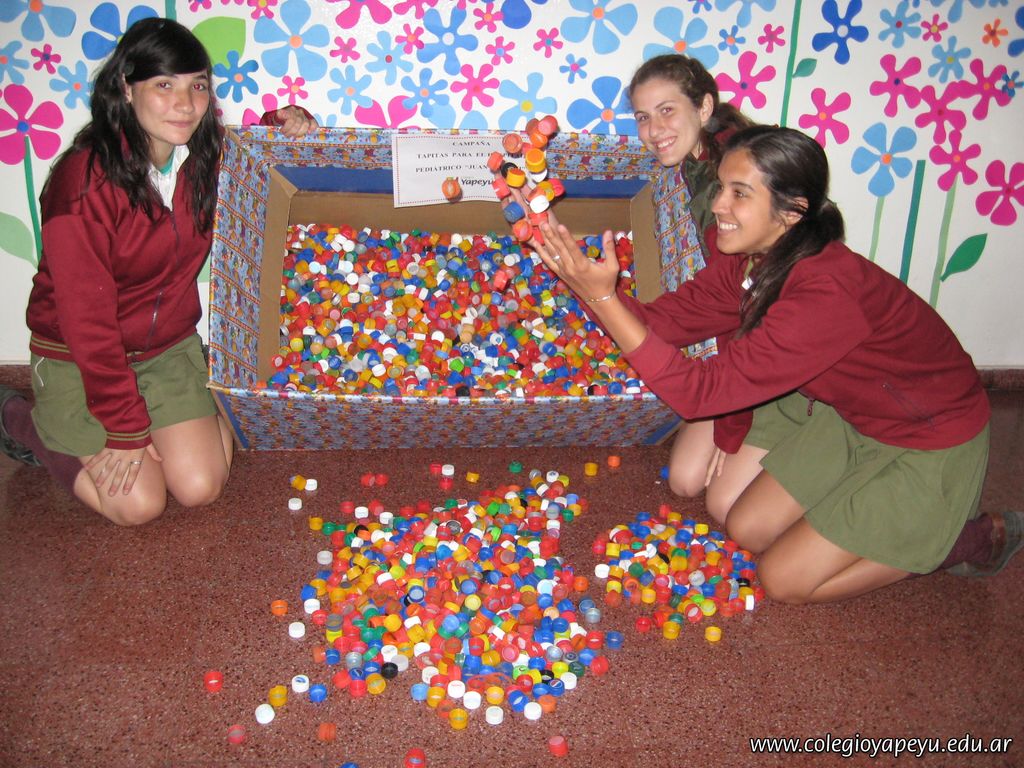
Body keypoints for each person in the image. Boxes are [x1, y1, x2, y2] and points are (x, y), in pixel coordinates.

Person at [528, 124, 1021, 603]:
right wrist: (587, 285)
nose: (718, 206)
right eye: (722, 187)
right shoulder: (755, 259)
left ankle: (955, 542)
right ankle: (864, 512)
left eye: (739, 193)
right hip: (850, 416)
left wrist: (604, 299)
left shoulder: (825, 293)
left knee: (783, 581)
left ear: (792, 211)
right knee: (745, 525)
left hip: (929, 439)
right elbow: (667, 322)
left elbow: (700, 393)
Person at [0, 17, 316, 525]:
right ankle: (22, 421)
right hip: (78, 359)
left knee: (200, 487)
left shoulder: (204, 158)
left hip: (164, 349)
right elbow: (86, 321)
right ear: (126, 88)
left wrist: (284, 121)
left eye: (198, 86)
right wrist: (125, 428)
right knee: (139, 506)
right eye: (164, 85)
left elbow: (259, 156)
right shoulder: (83, 181)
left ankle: (200, 386)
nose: (186, 104)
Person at [626, 54, 760, 520]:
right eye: (643, 117)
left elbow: (742, 309)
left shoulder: (729, 182)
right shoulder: (694, 166)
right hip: (725, 347)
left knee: (723, 504)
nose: (653, 130)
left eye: (667, 110)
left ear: (703, 107)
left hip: (765, 365)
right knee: (685, 480)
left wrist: (732, 424)